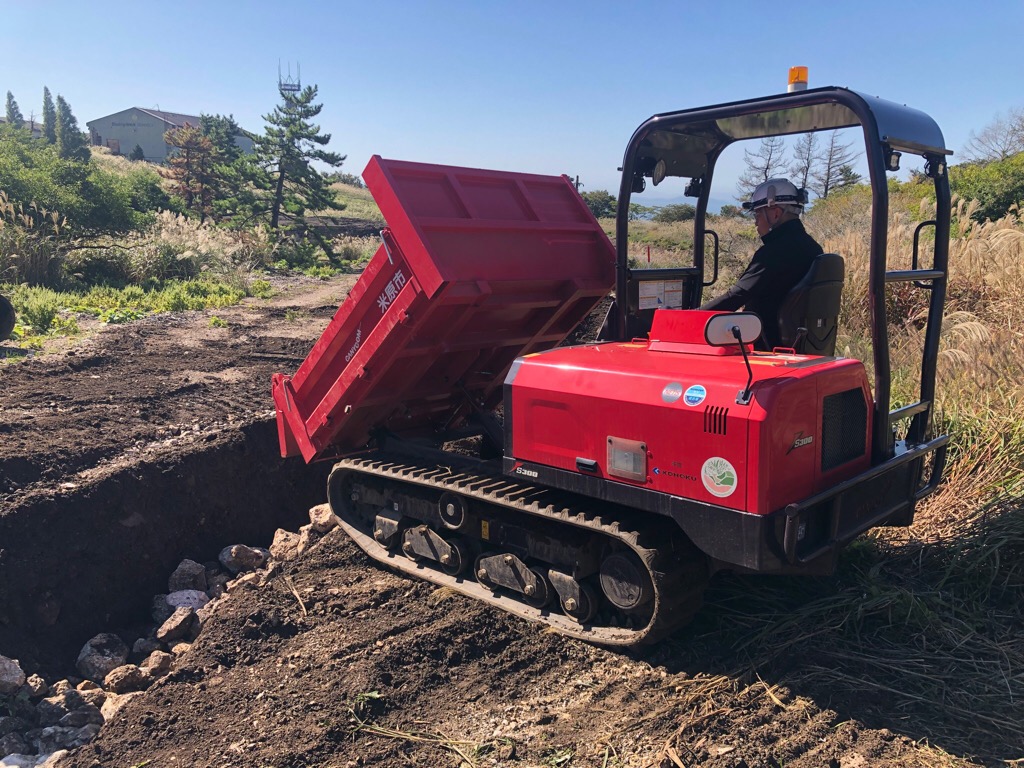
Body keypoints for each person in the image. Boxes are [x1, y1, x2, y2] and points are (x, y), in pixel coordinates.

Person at [702, 178, 822, 349]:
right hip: (800, 344)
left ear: (775, 213)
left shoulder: (774, 252)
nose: (756, 221)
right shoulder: (813, 248)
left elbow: (736, 296)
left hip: (767, 345)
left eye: (758, 214)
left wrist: (692, 316)